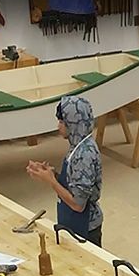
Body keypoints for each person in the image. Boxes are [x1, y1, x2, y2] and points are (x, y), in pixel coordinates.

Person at [26, 96, 103, 246]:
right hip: (72, 224)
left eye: (62, 122)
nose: (58, 126)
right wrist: (50, 174)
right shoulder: (77, 146)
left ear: (74, 124)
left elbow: (78, 204)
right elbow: (74, 183)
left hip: (85, 228)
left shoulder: (84, 155)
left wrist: (51, 181)